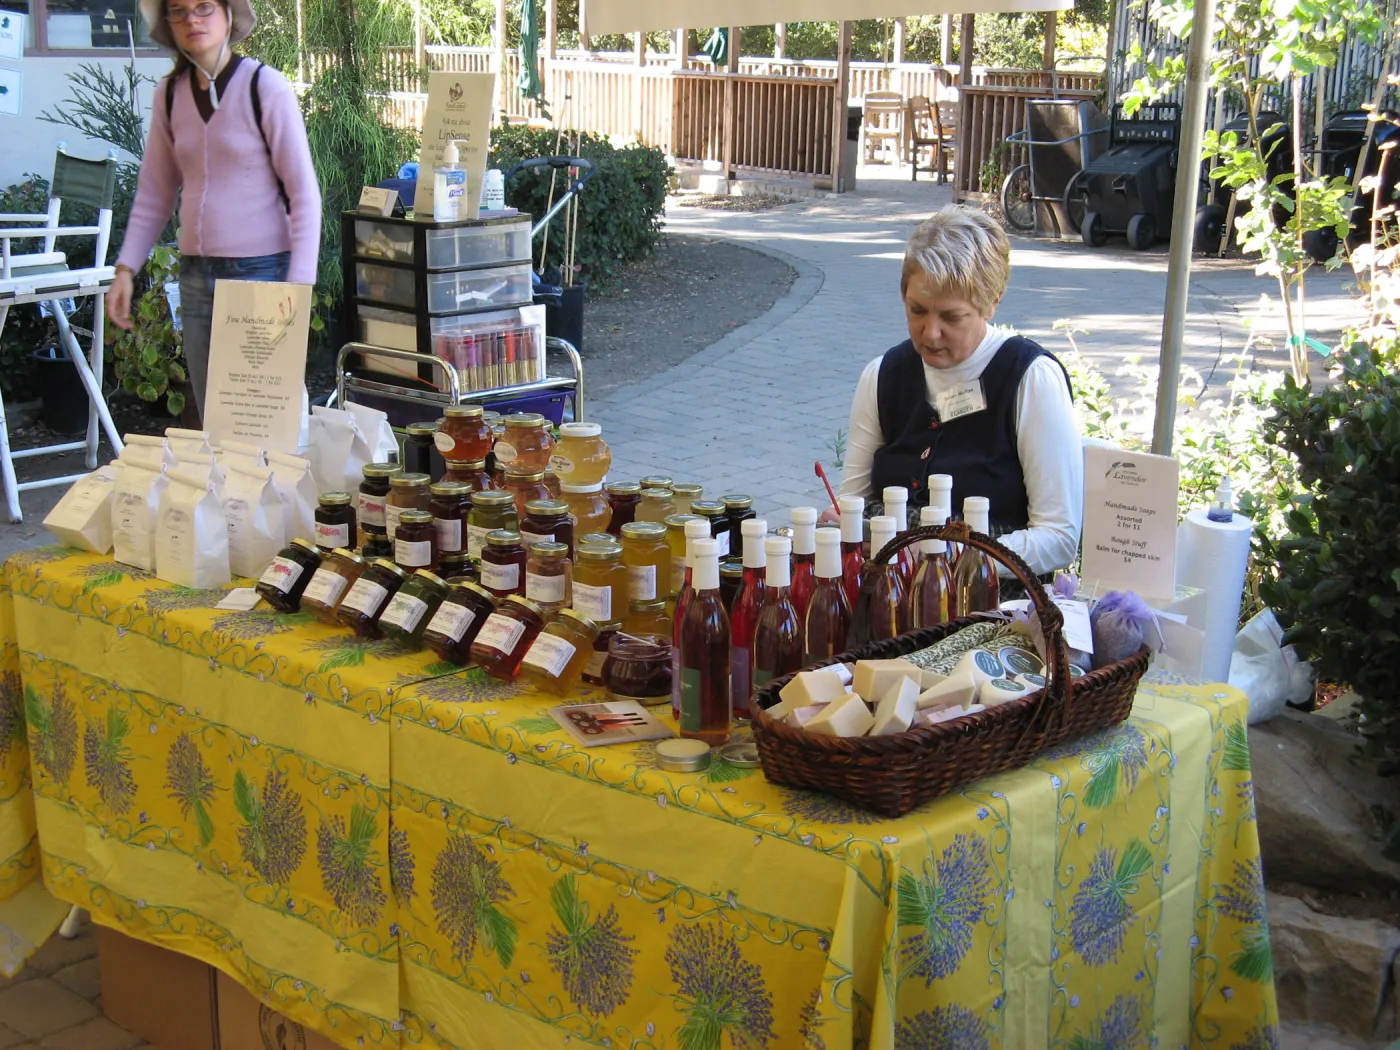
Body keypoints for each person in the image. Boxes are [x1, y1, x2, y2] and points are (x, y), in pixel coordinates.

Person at [836, 206, 1083, 577]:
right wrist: (842, 525)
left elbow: (1059, 539)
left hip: (992, 610)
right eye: (917, 310)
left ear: (992, 302)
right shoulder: (882, 375)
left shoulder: (1032, 379)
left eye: (951, 317)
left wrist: (946, 555)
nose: (930, 332)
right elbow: (852, 504)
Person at [107, 0, 320, 422]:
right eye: (179, 11)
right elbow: (155, 192)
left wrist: (297, 290)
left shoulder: (265, 87)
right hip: (196, 278)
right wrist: (125, 269)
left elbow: (304, 196)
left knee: (262, 424)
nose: (192, 20)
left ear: (229, 14)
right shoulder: (170, 95)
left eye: (204, 7)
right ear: (167, 23)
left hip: (261, 276)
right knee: (218, 423)